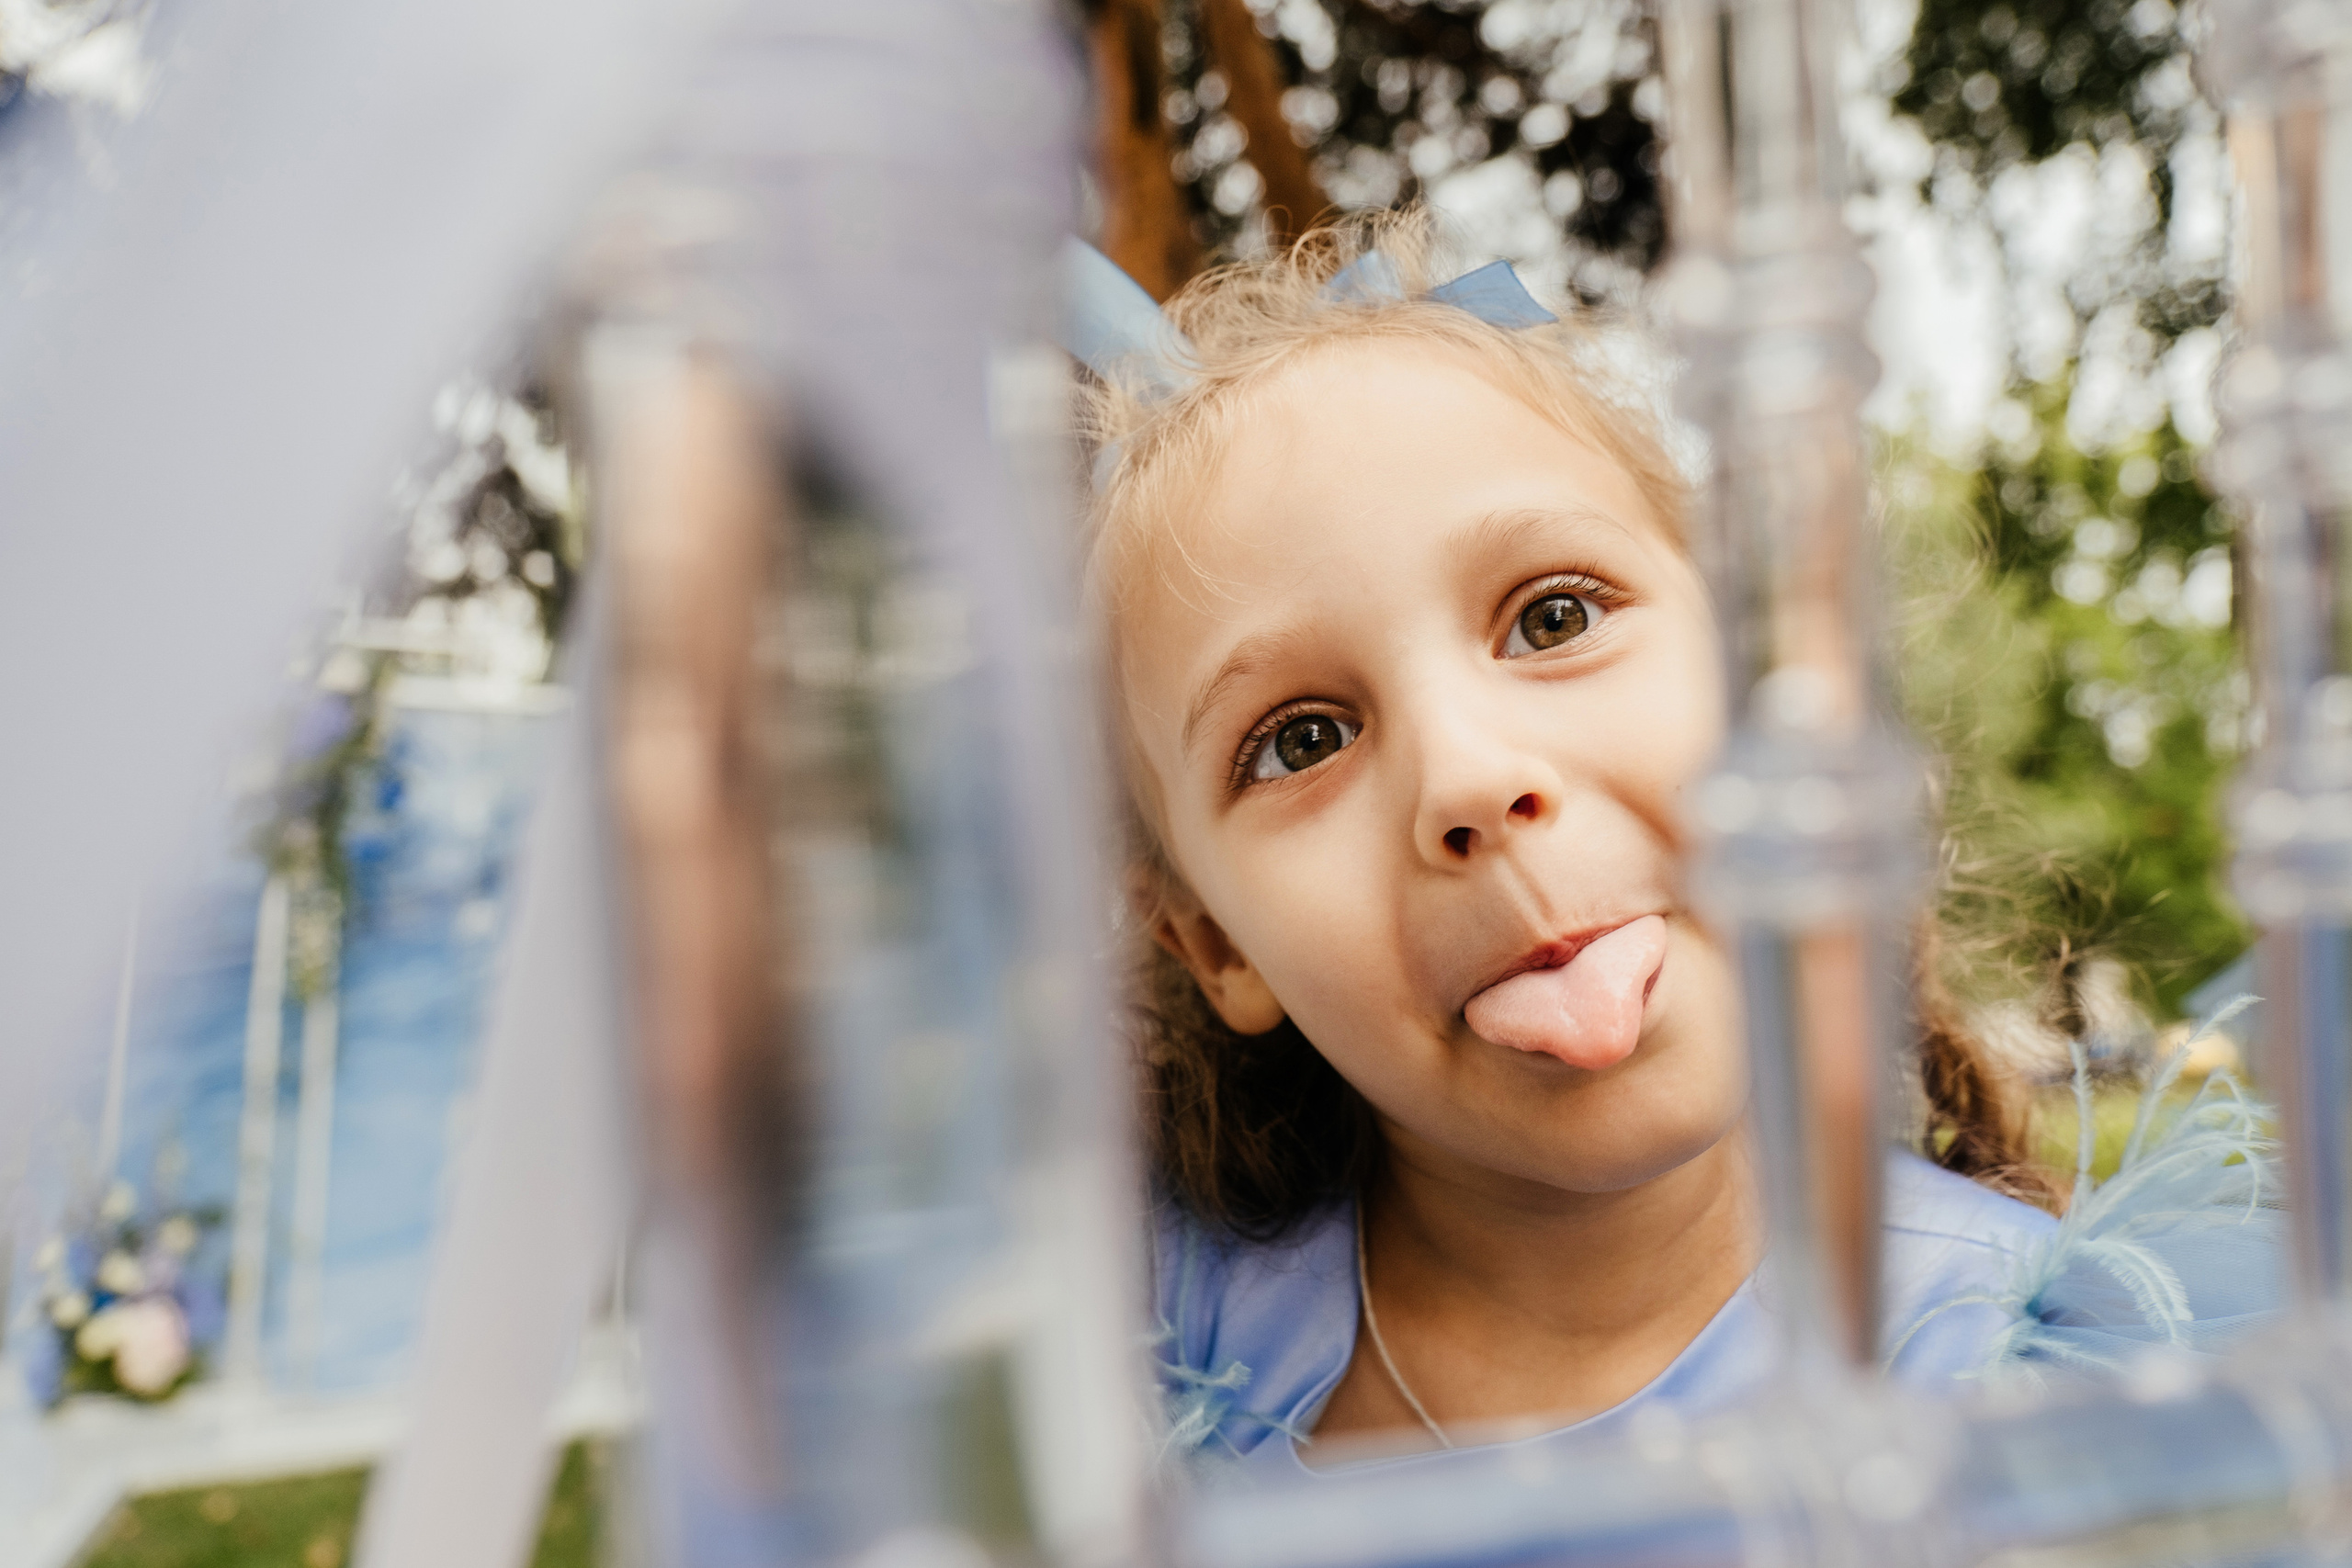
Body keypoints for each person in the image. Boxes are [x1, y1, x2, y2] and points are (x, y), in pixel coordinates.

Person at [1062, 212, 2278, 1477]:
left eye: (1554, 617)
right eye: (1302, 741)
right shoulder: (1121, 1356)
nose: (1471, 779)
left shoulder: (2045, 1399)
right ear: (1211, 941)